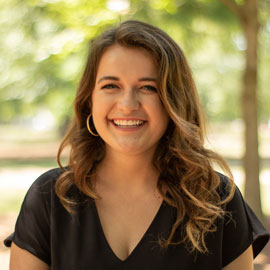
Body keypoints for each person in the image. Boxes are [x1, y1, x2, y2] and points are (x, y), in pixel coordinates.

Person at [5, 20, 269, 270]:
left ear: (174, 103)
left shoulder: (216, 200)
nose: (128, 104)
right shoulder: (49, 198)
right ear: (89, 101)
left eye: (148, 88)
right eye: (111, 85)